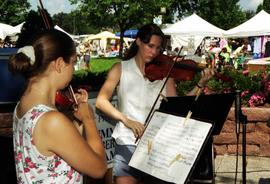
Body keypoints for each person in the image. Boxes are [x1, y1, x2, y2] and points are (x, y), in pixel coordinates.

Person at [95, 23, 214, 184]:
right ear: (138, 42)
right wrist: (126, 120)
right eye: (150, 46)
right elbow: (101, 101)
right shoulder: (121, 68)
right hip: (127, 141)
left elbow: (177, 106)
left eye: (158, 48)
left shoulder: (166, 73)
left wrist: (200, 83)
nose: (154, 52)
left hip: (158, 145)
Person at [8, 29, 107, 183]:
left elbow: (56, 147)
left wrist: (77, 123)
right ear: (60, 64)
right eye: (73, 62)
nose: (73, 70)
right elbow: (99, 169)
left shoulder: (22, 106)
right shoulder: (52, 121)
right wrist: (88, 119)